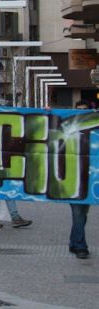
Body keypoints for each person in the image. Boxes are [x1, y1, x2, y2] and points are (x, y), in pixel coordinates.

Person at [70, 100, 91, 259]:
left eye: (85, 110)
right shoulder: (69, 127)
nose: (82, 113)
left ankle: (73, 242)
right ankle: (80, 246)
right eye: (79, 110)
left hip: (89, 180)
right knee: (78, 213)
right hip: (73, 180)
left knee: (82, 214)